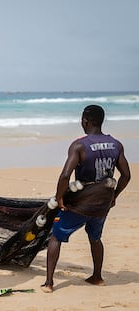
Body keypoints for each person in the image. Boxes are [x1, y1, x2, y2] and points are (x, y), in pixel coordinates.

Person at [41, 105, 131, 293]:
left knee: (56, 235)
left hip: (82, 203)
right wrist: (114, 196)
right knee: (95, 238)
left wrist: (59, 198)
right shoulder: (116, 144)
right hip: (102, 203)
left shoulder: (79, 145)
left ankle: (49, 283)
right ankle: (97, 277)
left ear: (85, 121)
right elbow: (126, 175)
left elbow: (65, 175)